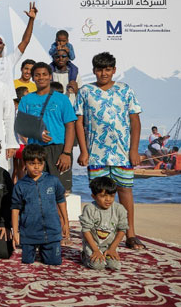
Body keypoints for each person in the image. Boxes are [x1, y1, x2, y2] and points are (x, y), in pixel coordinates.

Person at [75, 52, 144, 249]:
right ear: (94, 70)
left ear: (114, 70)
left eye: (107, 69)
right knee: (99, 194)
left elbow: (135, 121)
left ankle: (130, 234)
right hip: (96, 154)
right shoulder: (85, 91)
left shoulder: (125, 90)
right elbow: (79, 122)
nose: (103, 73)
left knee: (125, 190)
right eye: (99, 69)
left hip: (122, 153)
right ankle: (100, 234)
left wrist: (134, 150)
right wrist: (84, 151)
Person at [18, 62, 77, 194]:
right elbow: (21, 126)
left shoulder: (62, 99)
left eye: (44, 74)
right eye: (37, 75)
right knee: (37, 191)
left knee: (61, 192)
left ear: (50, 76)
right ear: (33, 77)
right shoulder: (26, 100)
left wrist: (66, 153)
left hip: (58, 149)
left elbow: (70, 126)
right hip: (35, 151)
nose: (41, 78)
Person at [11, 144, 69, 266]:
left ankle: (46, 250)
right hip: (29, 232)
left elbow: (61, 200)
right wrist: (15, 232)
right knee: (27, 262)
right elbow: (15, 208)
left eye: (40, 163)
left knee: (54, 262)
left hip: (51, 231)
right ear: (25, 163)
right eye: (32, 163)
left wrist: (65, 222)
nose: (36, 167)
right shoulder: (20, 185)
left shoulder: (53, 181)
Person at [80, 176, 129, 270]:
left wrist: (112, 248)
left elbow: (122, 230)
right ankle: (84, 255)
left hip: (109, 246)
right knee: (98, 266)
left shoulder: (119, 209)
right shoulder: (90, 208)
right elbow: (86, 230)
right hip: (92, 245)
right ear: (94, 196)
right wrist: (95, 250)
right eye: (103, 196)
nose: (108, 199)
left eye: (112, 196)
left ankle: (105, 254)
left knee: (114, 266)